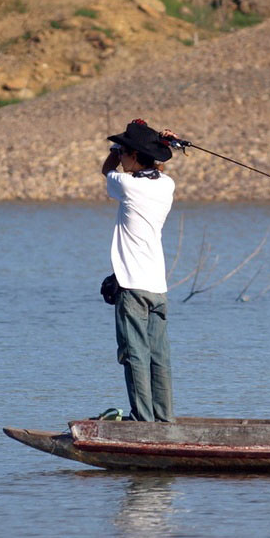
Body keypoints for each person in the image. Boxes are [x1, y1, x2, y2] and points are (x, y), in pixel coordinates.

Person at [102, 118, 180, 422]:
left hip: (133, 287)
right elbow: (158, 169)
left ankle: (143, 420)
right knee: (159, 355)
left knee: (134, 354)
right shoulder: (167, 185)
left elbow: (107, 171)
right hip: (157, 287)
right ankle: (164, 417)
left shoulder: (127, 185)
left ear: (134, 155)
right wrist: (162, 144)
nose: (121, 157)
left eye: (124, 152)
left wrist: (114, 149)